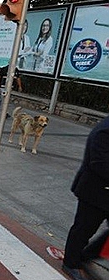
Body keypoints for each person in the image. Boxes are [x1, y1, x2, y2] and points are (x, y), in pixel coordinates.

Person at [62, 115, 109, 280]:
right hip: (94, 191)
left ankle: (87, 255)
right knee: (83, 229)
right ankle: (70, 262)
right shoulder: (105, 130)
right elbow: (99, 163)